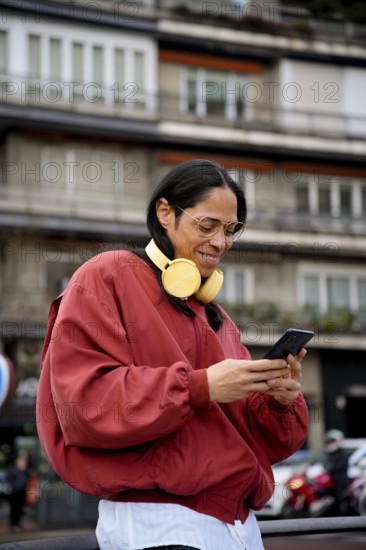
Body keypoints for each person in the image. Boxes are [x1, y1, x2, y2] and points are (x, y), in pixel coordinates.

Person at [37, 159, 308, 550]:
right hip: (159, 522)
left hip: (242, 527)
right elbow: (85, 404)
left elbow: (265, 444)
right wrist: (199, 387)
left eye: (231, 230)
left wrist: (280, 403)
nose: (221, 242)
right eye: (207, 225)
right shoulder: (107, 274)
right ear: (165, 212)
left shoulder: (219, 319)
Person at [324, 429, 350, 515]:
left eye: (332, 441)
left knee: (339, 500)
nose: (330, 443)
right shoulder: (329, 454)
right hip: (329, 482)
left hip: (340, 482)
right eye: (328, 441)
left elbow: (339, 466)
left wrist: (332, 468)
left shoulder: (342, 453)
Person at [6, 453, 30, 532]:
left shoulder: (26, 470)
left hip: (22, 492)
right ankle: (13, 525)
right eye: (22, 461)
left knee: (20, 509)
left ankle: (18, 524)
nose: (23, 462)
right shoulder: (12, 469)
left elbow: (30, 476)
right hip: (14, 492)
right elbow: (10, 480)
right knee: (14, 509)